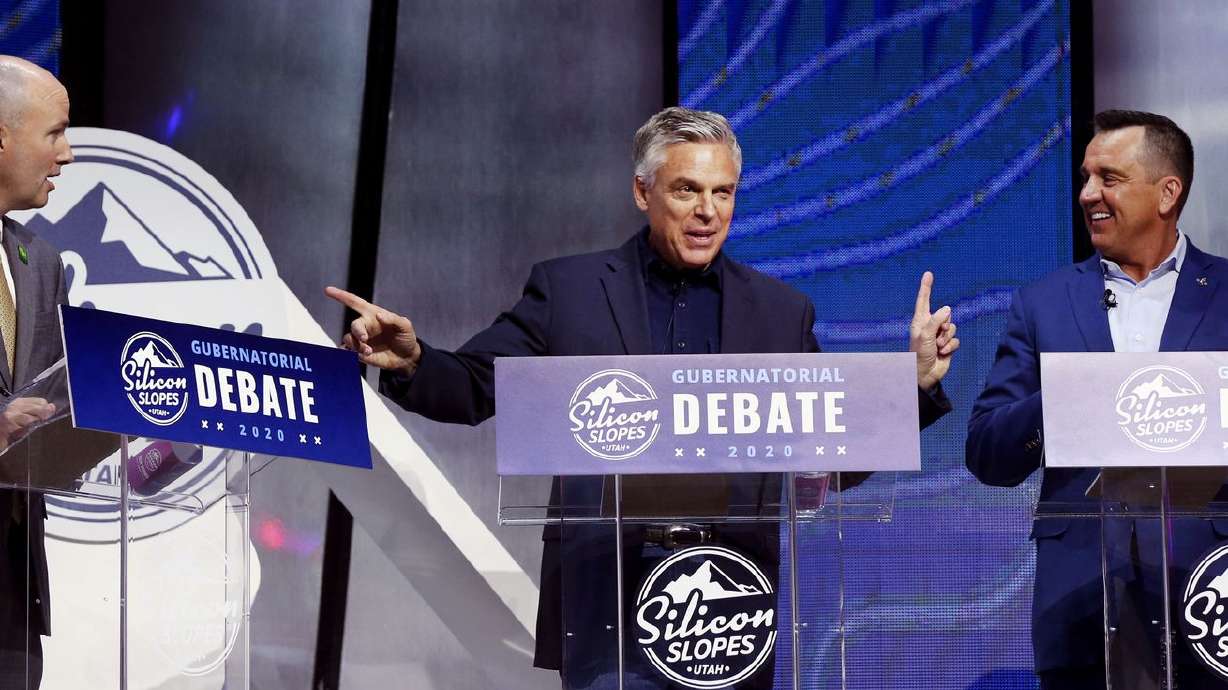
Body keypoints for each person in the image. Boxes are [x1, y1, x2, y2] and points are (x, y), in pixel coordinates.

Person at [328, 106, 957, 687]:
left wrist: (913, 387)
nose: (708, 211)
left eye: (723, 192)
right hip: (607, 591)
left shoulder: (779, 312)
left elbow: (831, 457)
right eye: (687, 189)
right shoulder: (569, 291)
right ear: (643, 192)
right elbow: (474, 386)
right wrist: (413, 359)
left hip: (730, 602)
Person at [967, 110, 1228, 689]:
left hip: (1209, 591)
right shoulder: (1044, 304)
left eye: (1109, 178)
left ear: (1167, 192)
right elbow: (987, 453)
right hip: (1079, 597)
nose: (1088, 194)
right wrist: (1065, 397)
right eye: (1085, 178)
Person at [0, 55, 73, 687]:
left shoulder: (40, 261)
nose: (68, 154)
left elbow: (57, 393)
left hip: (13, 586)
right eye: (54, 132)